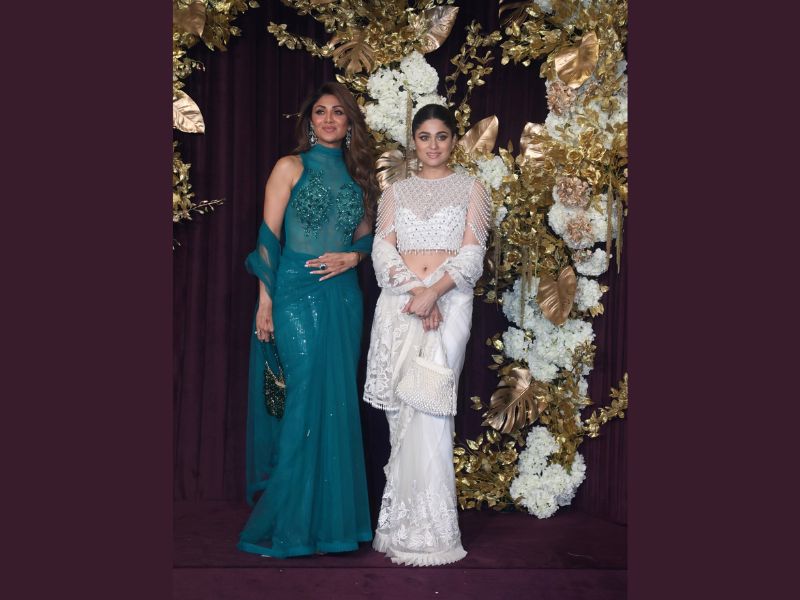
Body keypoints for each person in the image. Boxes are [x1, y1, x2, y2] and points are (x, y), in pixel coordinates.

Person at [238, 82, 379, 558]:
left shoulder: (360, 176)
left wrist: (353, 258)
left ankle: (331, 526)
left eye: (338, 112)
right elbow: (268, 237)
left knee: (336, 401)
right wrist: (265, 301)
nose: (329, 119)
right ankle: (293, 524)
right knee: (302, 398)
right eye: (320, 111)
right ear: (309, 121)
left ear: (350, 121)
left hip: (343, 296)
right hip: (295, 292)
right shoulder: (289, 167)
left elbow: (367, 238)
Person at [363, 104, 491, 566]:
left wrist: (435, 292)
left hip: (449, 304)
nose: (433, 145)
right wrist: (416, 292)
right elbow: (382, 250)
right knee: (401, 412)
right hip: (401, 303)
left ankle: (434, 535)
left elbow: (473, 255)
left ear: (454, 140)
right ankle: (399, 528)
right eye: (424, 136)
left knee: (431, 406)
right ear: (413, 141)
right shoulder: (395, 192)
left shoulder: (473, 189)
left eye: (441, 136)